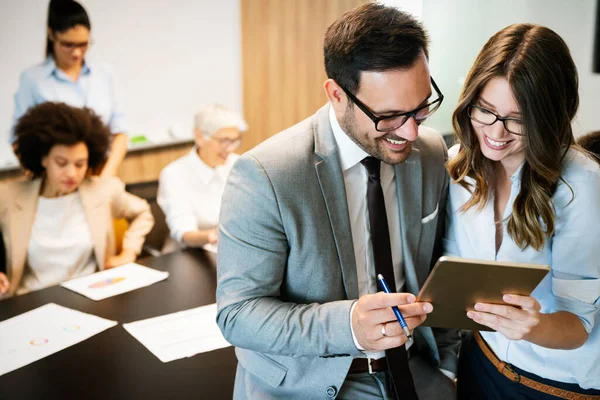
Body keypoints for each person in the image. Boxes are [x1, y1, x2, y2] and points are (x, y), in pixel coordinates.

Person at [216, 3, 460, 399]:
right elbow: (237, 314)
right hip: (308, 383)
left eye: (420, 108)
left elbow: (437, 265)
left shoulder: (431, 153)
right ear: (336, 95)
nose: (412, 132)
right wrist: (347, 324)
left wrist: (448, 365)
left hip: (418, 369)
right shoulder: (265, 173)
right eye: (391, 116)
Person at [445, 24, 600, 398]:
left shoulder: (580, 186)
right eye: (486, 110)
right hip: (480, 360)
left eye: (518, 119)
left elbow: (578, 326)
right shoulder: (457, 168)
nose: (497, 133)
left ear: (549, 118)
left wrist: (532, 326)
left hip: (553, 387)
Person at [0, 102, 154, 299]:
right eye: (61, 163)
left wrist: (129, 252)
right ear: (43, 159)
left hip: (93, 297)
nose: (72, 173)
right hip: (30, 301)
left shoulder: (102, 190)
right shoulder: (10, 196)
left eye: (80, 164)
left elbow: (143, 213)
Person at [11, 0, 128, 177]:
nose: (76, 53)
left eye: (83, 44)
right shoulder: (33, 80)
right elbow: (18, 140)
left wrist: (104, 179)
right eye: (68, 44)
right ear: (51, 35)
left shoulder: (105, 75)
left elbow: (120, 133)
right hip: (55, 179)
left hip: (100, 173)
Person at [157, 105, 246, 250]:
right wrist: (214, 236)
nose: (231, 148)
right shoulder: (174, 174)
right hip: (189, 253)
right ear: (199, 137)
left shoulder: (238, 164)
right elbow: (184, 232)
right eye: (224, 141)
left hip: (230, 248)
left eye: (235, 140)